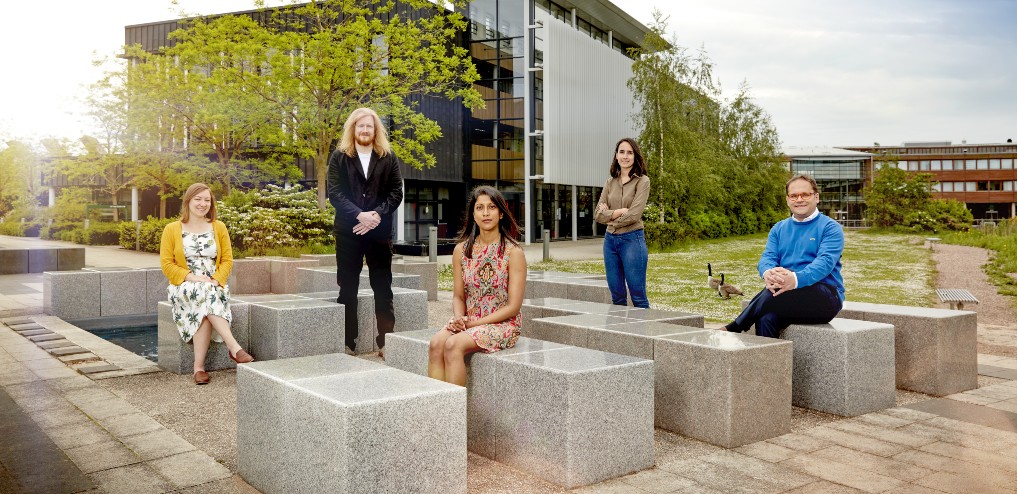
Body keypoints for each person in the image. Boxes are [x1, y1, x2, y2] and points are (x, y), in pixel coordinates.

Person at [720, 174, 845, 338]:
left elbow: (824, 263)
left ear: (816, 197)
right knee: (766, 318)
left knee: (780, 285)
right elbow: (767, 258)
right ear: (788, 200)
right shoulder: (779, 229)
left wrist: (794, 279)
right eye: (794, 196)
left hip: (824, 298)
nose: (799, 199)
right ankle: (769, 363)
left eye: (805, 194)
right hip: (784, 297)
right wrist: (768, 273)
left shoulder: (830, 228)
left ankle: (735, 326)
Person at [428, 186, 526, 386]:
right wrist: (458, 318)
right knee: (436, 343)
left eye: (491, 207)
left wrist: (471, 325)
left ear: (501, 213)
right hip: (469, 320)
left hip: (503, 325)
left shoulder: (513, 252)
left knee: (453, 344)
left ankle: (455, 413)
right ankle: (438, 409)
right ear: (473, 214)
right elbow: (458, 296)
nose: (486, 213)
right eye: (479, 208)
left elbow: (513, 307)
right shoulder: (461, 250)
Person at [327, 107, 404, 358]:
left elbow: (396, 193)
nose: (364, 130)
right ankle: (349, 343)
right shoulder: (339, 157)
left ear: (375, 130)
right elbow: (335, 193)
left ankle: (385, 342)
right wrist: (360, 215)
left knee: (383, 287)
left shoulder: (388, 157)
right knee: (347, 288)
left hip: (379, 233)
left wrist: (376, 216)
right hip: (348, 232)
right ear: (353, 129)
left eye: (369, 126)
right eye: (360, 126)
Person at [160, 183, 253, 385]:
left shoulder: (218, 227)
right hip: (183, 284)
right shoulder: (172, 229)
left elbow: (227, 260)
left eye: (207, 200)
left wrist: (217, 280)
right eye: (198, 199)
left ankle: (198, 368)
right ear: (188, 201)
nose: (203, 204)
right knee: (203, 292)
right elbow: (167, 264)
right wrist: (190, 277)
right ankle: (234, 348)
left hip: (213, 284)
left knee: (205, 297)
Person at [595, 137, 651, 308]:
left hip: (632, 240)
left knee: (638, 297)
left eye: (630, 152)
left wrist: (609, 217)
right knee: (617, 298)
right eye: (622, 152)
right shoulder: (609, 182)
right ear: (616, 156)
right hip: (610, 242)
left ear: (635, 156)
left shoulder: (642, 181)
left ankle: (643, 334)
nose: (625, 156)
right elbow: (598, 214)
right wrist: (619, 212)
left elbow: (634, 215)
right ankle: (619, 334)